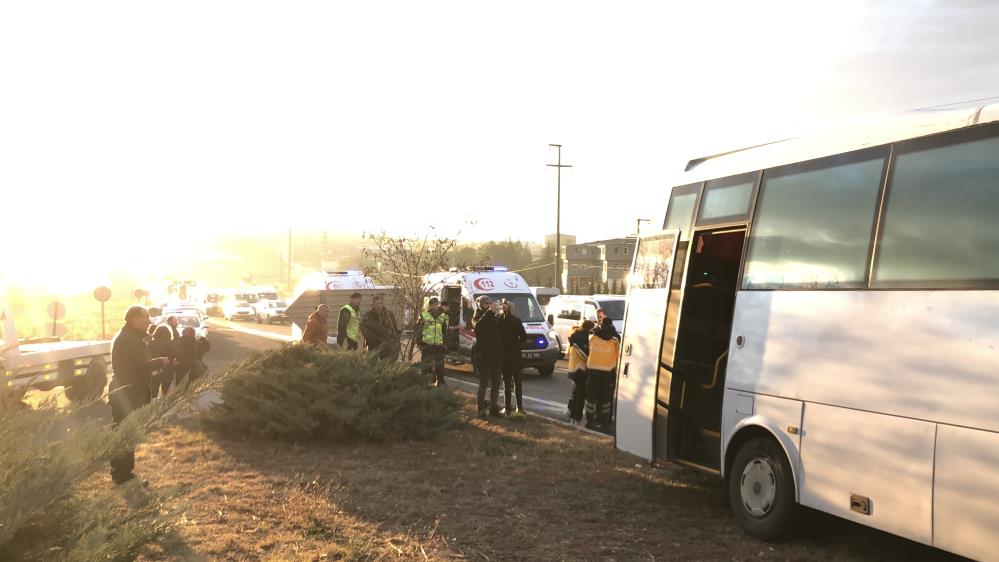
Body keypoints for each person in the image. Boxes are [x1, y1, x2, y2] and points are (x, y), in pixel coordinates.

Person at [108, 306, 168, 485]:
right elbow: (137, 367)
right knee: (125, 431)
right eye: (145, 318)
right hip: (127, 393)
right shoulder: (129, 340)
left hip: (128, 391)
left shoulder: (131, 337)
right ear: (133, 319)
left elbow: (134, 367)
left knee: (126, 431)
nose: (148, 322)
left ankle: (123, 472)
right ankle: (122, 474)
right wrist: (159, 362)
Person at [585, 316, 621, 433]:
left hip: (592, 370)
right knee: (605, 399)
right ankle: (604, 422)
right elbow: (618, 356)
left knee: (591, 398)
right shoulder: (615, 338)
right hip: (607, 371)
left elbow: (590, 348)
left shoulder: (593, 335)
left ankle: (590, 421)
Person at [472, 296, 503, 417]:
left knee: (496, 383)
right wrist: (490, 312)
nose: (489, 305)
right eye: (486, 303)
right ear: (480, 304)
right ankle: (480, 409)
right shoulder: (478, 317)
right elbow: (479, 327)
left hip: (496, 355)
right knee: (484, 383)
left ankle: (493, 408)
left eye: (490, 303)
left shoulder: (493, 316)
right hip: (484, 355)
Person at [498, 299, 527, 418]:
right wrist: (517, 345)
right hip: (515, 355)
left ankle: (507, 408)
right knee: (517, 382)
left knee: (506, 383)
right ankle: (519, 408)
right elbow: (524, 337)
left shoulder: (499, 321)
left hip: (504, 355)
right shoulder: (517, 321)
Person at [566, 319, 595, 425]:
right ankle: (576, 418)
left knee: (575, 393)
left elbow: (568, 353)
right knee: (580, 396)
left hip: (573, 369)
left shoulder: (575, 336)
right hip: (580, 370)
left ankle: (572, 415)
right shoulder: (582, 339)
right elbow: (585, 354)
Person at [416, 297, 448, 386]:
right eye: (433, 304)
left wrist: (445, 343)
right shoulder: (424, 315)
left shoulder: (442, 315)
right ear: (430, 305)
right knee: (426, 364)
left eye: (437, 304)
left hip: (438, 344)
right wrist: (418, 342)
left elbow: (444, 330)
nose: (435, 306)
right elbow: (418, 329)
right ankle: (424, 381)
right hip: (427, 344)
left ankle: (440, 381)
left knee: (440, 364)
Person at [361, 295, 400, 360]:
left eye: (380, 303)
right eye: (377, 303)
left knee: (388, 367)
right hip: (374, 347)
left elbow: (395, 329)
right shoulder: (368, 316)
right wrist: (370, 340)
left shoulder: (389, 315)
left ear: (383, 303)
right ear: (373, 304)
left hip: (388, 347)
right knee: (374, 367)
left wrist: (396, 344)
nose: (379, 305)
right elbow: (364, 331)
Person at [148, 324, 176, 397]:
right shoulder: (171, 343)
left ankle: (153, 406)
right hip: (167, 370)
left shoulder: (151, 343)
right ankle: (164, 406)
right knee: (166, 392)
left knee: (153, 391)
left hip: (155, 368)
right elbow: (173, 356)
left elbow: (148, 356)